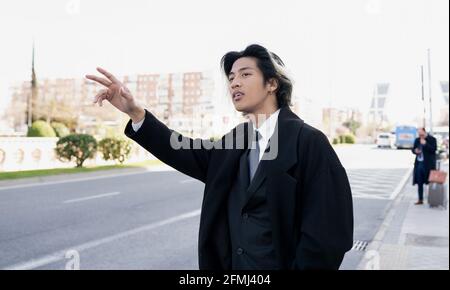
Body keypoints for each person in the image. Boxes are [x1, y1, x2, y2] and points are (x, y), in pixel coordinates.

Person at [85, 44, 354, 270]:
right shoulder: (235, 140)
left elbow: (327, 235)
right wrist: (136, 113)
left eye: (245, 74)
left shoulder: (309, 142)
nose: (234, 82)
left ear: (272, 83)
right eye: (231, 77)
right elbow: (183, 149)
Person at [412, 127, 437, 205]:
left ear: (424, 132)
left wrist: (425, 144)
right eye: (419, 134)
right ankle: (420, 199)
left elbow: (433, 150)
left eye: (421, 134)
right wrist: (415, 151)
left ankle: (432, 199)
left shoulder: (432, 139)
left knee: (430, 182)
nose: (420, 135)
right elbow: (413, 149)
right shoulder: (417, 140)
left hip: (428, 165)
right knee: (419, 182)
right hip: (419, 163)